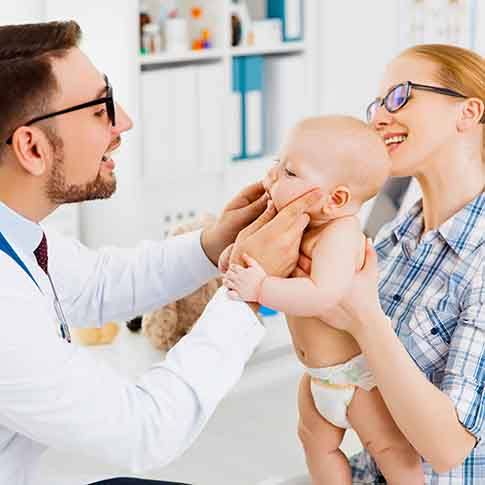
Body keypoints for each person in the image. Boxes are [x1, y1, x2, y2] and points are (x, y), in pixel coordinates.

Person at [0, 20, 321, 485]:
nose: (123, 121)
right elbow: (144, 431)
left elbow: (99, 282)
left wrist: (215, 244)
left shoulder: (17, 236)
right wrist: (248, 287)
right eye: (100, 108)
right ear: (32, 147)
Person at [288, 44, 485, 484]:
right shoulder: (393, 239)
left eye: (401, 96)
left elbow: (447, 448)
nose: (378, 118)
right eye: (377, 103)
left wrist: (365, 318)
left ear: (468, 113)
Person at [222, 115, 424, 484]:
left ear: (336, 199)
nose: (273, 177)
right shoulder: (295, 225)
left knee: (390, 450)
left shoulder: (340, 235)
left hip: (358, 379)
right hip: (317, 377)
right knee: (316, 445)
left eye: (290, 173)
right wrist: (237, 255)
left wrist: (260, 288)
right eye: (277, 166)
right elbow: (253, 258)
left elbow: (321, 295)